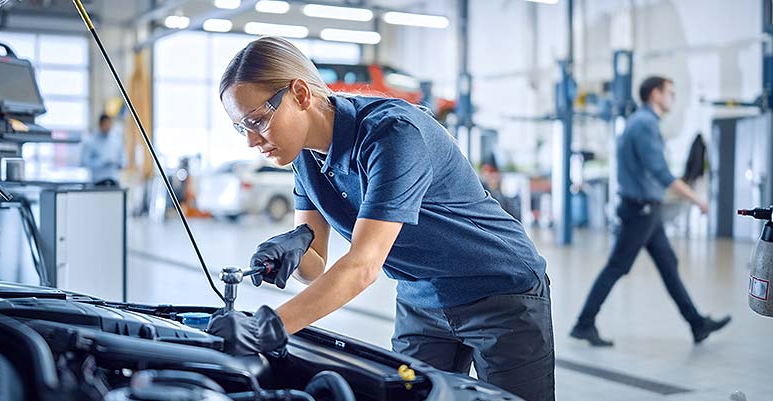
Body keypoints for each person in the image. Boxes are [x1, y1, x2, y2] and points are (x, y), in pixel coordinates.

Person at [207, 37, 554, 401]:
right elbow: (314, 266)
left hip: (499, 291)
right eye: (240, 127)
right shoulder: (306, 159)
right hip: (421, 298)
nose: (250, 140)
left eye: (256, 120)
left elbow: (362, 266)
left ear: (300, 94)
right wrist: (292, 246)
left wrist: (269, 328)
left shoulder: (392, 134)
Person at [569, 76, 731, 347]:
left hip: (646, 211)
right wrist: (697, 199)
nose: (672, 98)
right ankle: (584, 323)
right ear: (655, 94)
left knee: (668, 265)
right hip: (640, 211)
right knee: (617, 267)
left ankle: (697, 323)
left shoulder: (642, 122)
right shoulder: (644, 125)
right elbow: (661, 173)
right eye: (670, 92)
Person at [80, 113, 125, 186]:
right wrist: (101, 162)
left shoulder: (117, 140)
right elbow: (83, 162)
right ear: (100, 124)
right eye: (106, 124)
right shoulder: (91, 141)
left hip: (114, 181)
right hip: (97, 182)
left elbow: (124, 161)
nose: (108, 127)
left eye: (109, 124)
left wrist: (117, 162)